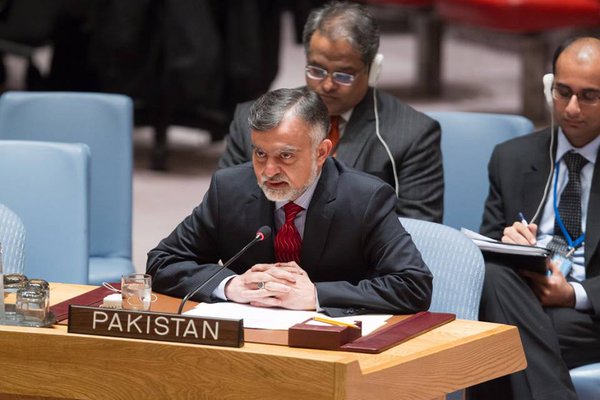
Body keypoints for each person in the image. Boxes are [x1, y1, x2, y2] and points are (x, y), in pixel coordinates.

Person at [147, 87, 432, 317]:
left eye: (285, 156)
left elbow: (413, 285)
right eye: (260, 154)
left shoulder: (364, 198)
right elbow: (162, 261)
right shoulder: (230, 189)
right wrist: (230, 284)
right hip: (248, 339)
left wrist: (317, 295)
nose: (269, 171)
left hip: (333, 347)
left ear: (321, 152)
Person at [217, 1, 443, 223]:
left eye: (343, 75)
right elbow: (224, 209)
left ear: (373, 70)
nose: (327, 85)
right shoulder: (251, 121)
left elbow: (420, 232)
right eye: (317, 70)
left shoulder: (413, 135)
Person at [472, 37, 600, 400]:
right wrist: (507, 244)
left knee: (492, 339)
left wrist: (572, 294)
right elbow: (483, 251)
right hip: (520, 295)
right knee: (496, 276)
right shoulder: (511, 158)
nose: (571, 108)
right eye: (563, 92)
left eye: (589, 96)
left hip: (587, 313)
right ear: (549, 87)